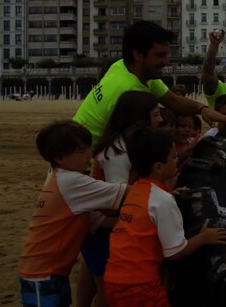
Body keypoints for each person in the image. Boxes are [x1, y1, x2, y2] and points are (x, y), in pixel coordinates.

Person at [103, 125, 226, 307]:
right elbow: (175, 252)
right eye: (174, 157)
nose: (177, 160)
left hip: (115, 278)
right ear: (158, 167)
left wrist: (168, 194)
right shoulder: (162, 200)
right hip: (139, 284)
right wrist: (203, 238)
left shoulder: (137, 190)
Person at [73, 20, 226, 148]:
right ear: (138, 54)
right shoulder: (130, 92)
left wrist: (202, 109)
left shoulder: (122, 67)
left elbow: (172, 100)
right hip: (86, 165)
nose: (166, 62)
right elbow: (140, 146)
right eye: (159, 55)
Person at [18, 121, 128, 307]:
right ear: (60, 157)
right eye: (81, 151)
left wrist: (128, 222)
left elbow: (95, 220)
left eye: (88, 148)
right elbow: (125, 192)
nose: (89, 154)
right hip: (42, 274)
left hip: (52, 271)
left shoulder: (59, 178)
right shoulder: (71, 182)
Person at [80, 91, 163, 307]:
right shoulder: (118, 152)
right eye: (156, 115)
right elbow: (120, 196)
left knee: (97, 276)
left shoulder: (129, 144)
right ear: (139, 119)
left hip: (106, 223)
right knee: (106, 286)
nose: (161, 120)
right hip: (102, 225)